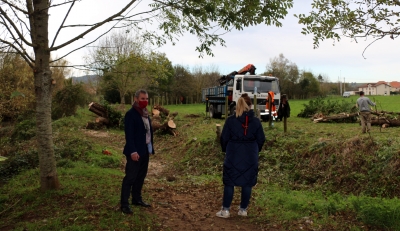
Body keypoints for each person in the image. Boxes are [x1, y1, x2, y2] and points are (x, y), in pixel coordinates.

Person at [216, 94, 266, 218]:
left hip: (233, 154)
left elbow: (224, 138)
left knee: (229, 182)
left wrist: (226, 149)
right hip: (250, 155)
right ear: (250, 106)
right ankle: (243, 209)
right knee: (247, 182)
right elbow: (261, 139)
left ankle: (225, 210)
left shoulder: (231, 121)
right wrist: (255, 150)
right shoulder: (256, 121)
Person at [120, 89, 154, 214]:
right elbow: (129, 135)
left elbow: (148, 132)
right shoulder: (131, 114)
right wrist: (133, 151)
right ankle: (124, 204)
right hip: (135, 151)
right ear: (136, 99)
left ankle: (136, 199)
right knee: (130, 178)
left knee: (141, 176)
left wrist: (150, 147)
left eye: (146, 99)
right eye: (142, 99)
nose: (145, 101)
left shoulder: (145, 113)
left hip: (144, 150)